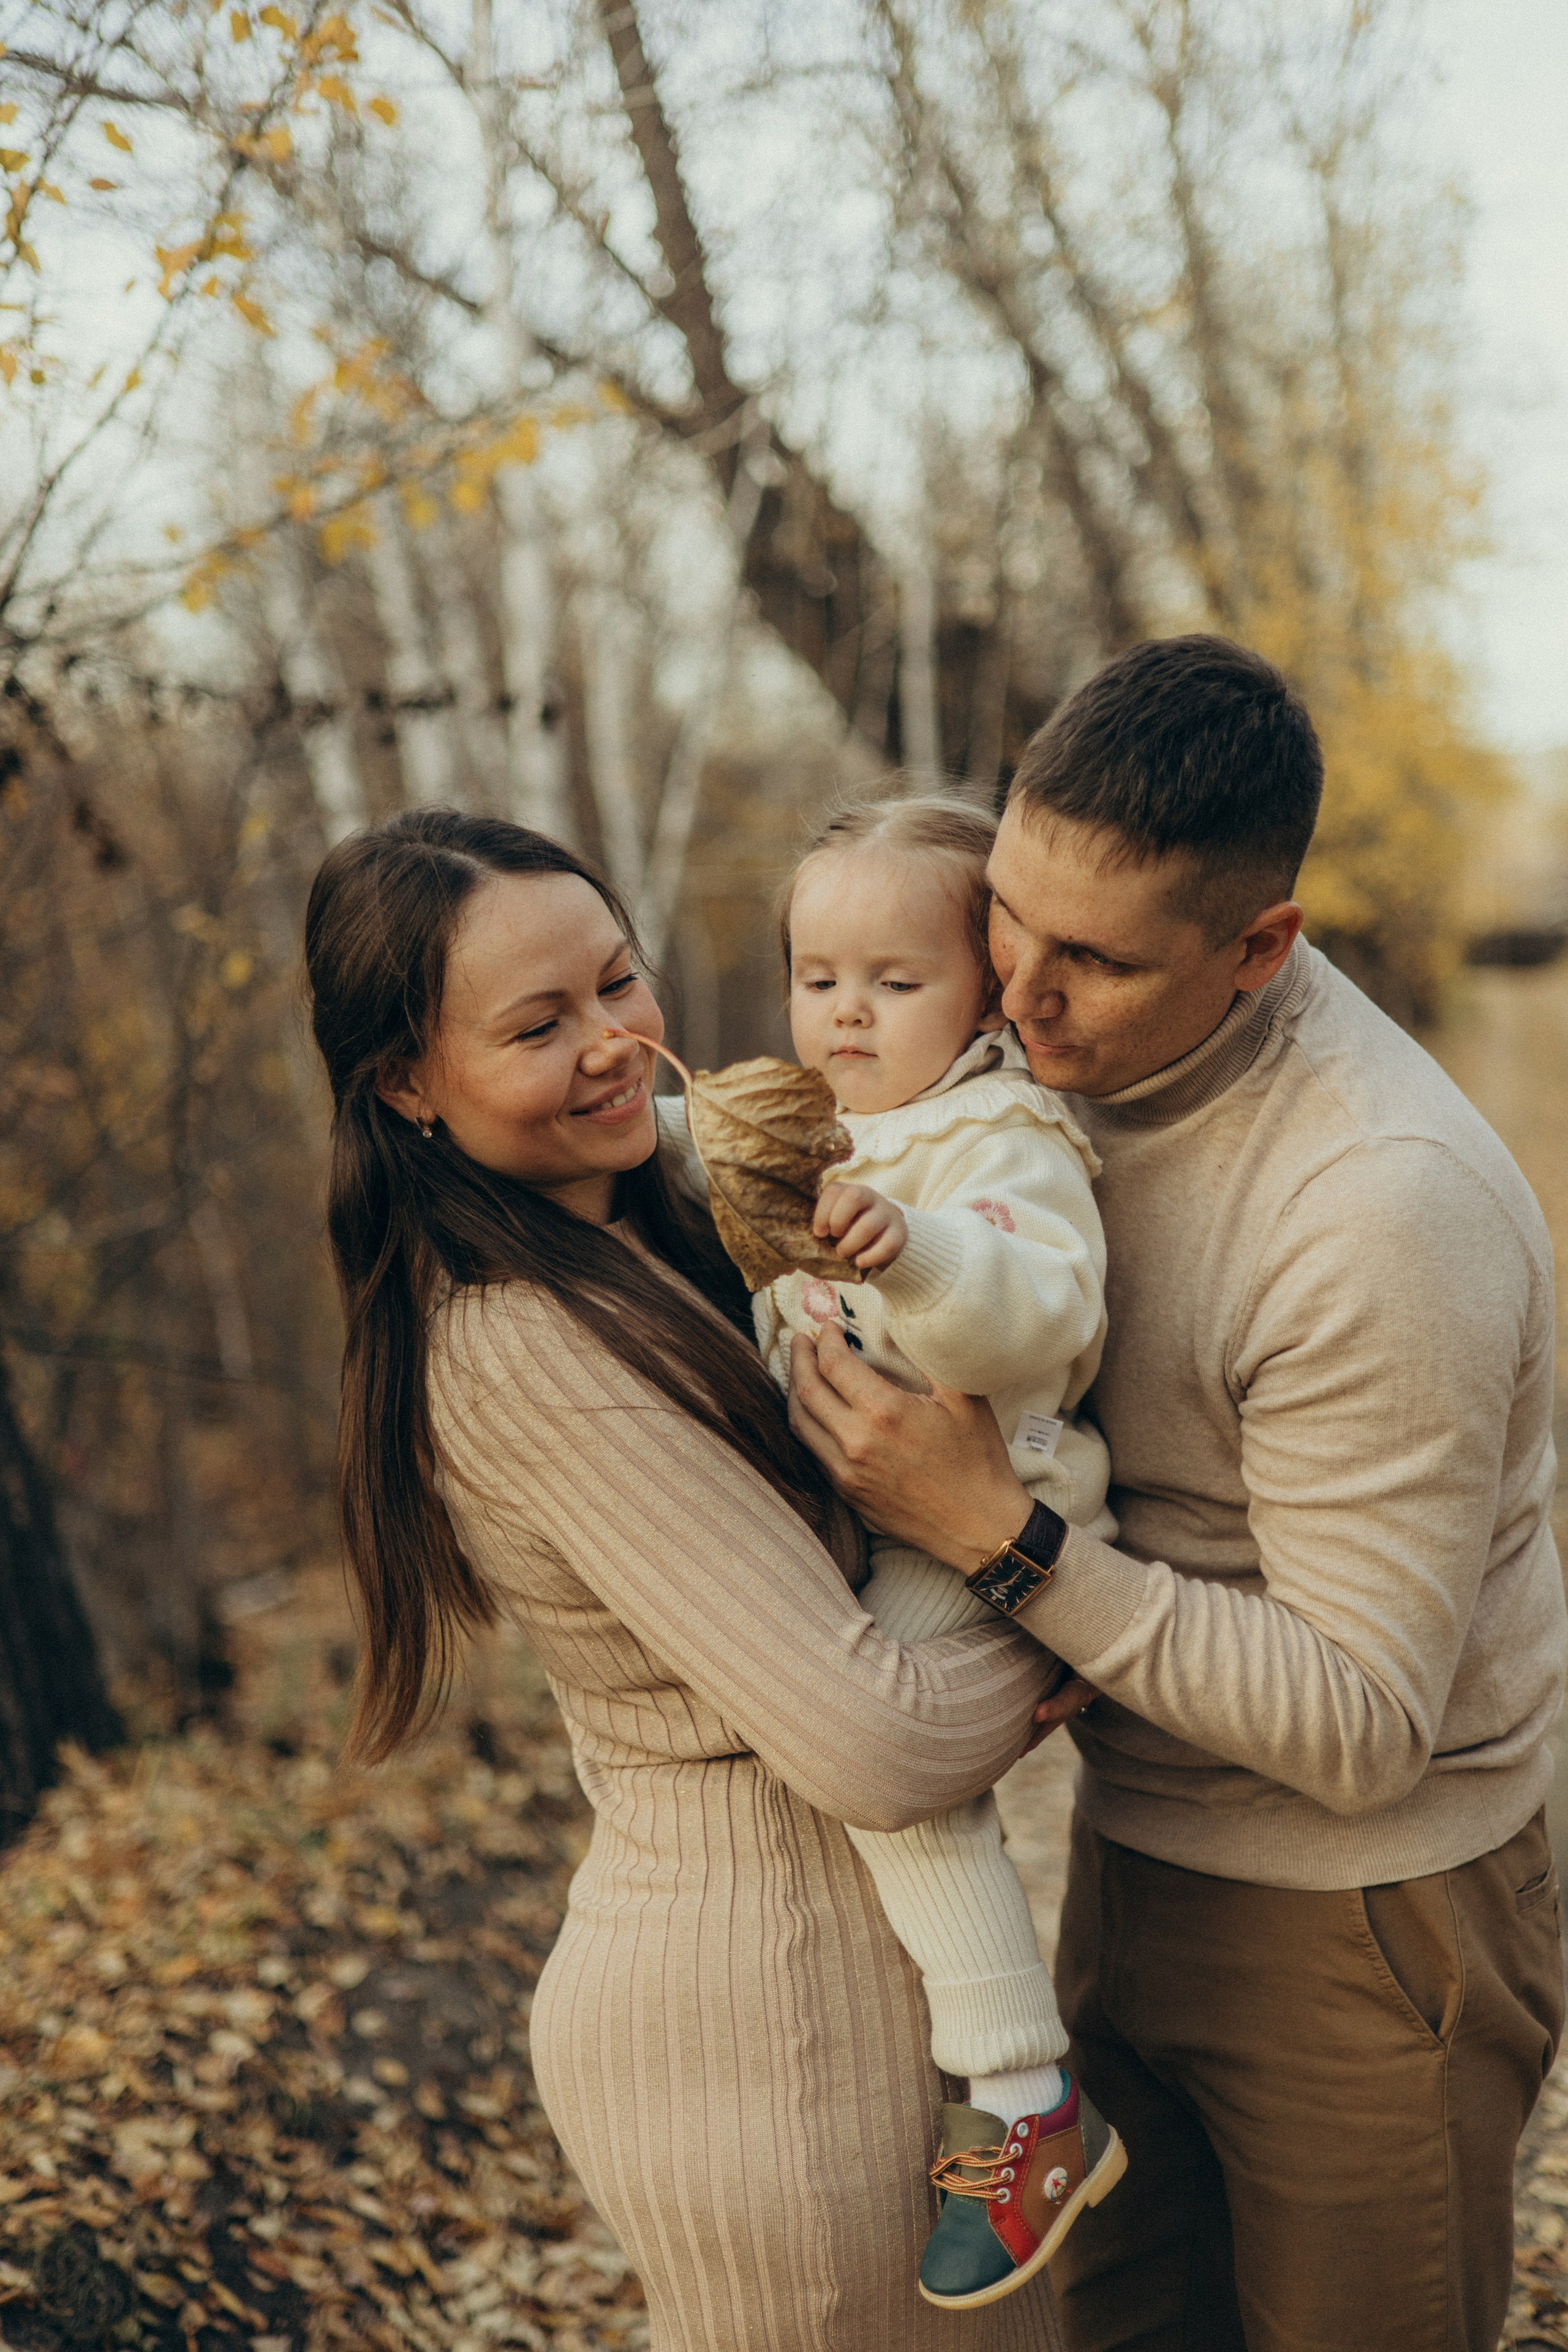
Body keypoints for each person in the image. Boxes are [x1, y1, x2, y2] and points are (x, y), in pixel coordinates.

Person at [788, 634, 1567, 2352]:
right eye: (1006, 916)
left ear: (1258, 949)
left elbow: (1365, 1727)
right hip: (1136, 1866)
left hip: (1370, 1919)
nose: (1020, 991)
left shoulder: (1377, 1207)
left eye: (1094, 961)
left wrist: (1003, 1541)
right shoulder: (1022, 1076)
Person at [303, 808, 1070, 2352]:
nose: (610, 1044)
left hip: (855, 1990)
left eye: (617, 982)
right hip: (758, 2029)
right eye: (536, 1026)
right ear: (404, 1081)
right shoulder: (517, 1344)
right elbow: (880, 1741)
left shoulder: (643, 1215)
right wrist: (1059, 1580)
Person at [750, 793, 1126, 2307]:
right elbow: (676, 1149)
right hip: (877, 1502)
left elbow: (1047, 1311)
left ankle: (1026, 2096)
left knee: (886, 1755)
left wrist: (919, 1253)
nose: (844, 1009)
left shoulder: (1000, 1134)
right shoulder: (827, 1124)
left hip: (997, 1505)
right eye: (815, 974)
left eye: (893, 982)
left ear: (983, 992)